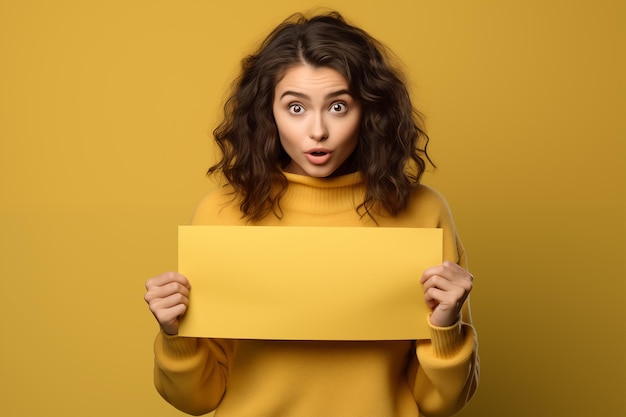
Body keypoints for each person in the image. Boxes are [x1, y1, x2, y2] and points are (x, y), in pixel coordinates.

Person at [144, 10, 479, 417]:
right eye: (296, 108)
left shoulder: (424, 211)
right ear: (267, 113)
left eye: (338, 106)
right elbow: (198, 399)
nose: (317, 131)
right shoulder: (222, 213)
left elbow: (439, 402)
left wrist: (446, 325)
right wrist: (174, 334)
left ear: (369, 112)